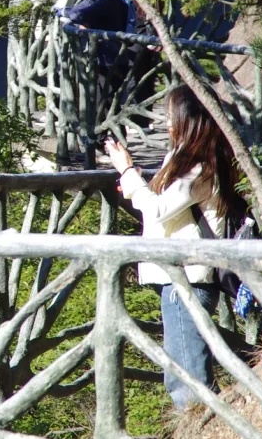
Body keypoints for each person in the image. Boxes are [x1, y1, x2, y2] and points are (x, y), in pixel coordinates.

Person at [104, 85, 244, 411]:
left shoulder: (199, 165)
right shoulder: (193, 160)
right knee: (184, 369)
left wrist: (126, 170)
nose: (168, 124)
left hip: (187, 280)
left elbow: (155, 210)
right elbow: (164, 207)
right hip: (182, 277)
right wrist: (136, 181)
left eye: (171, 116)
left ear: (187, 118)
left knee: (186, 378)